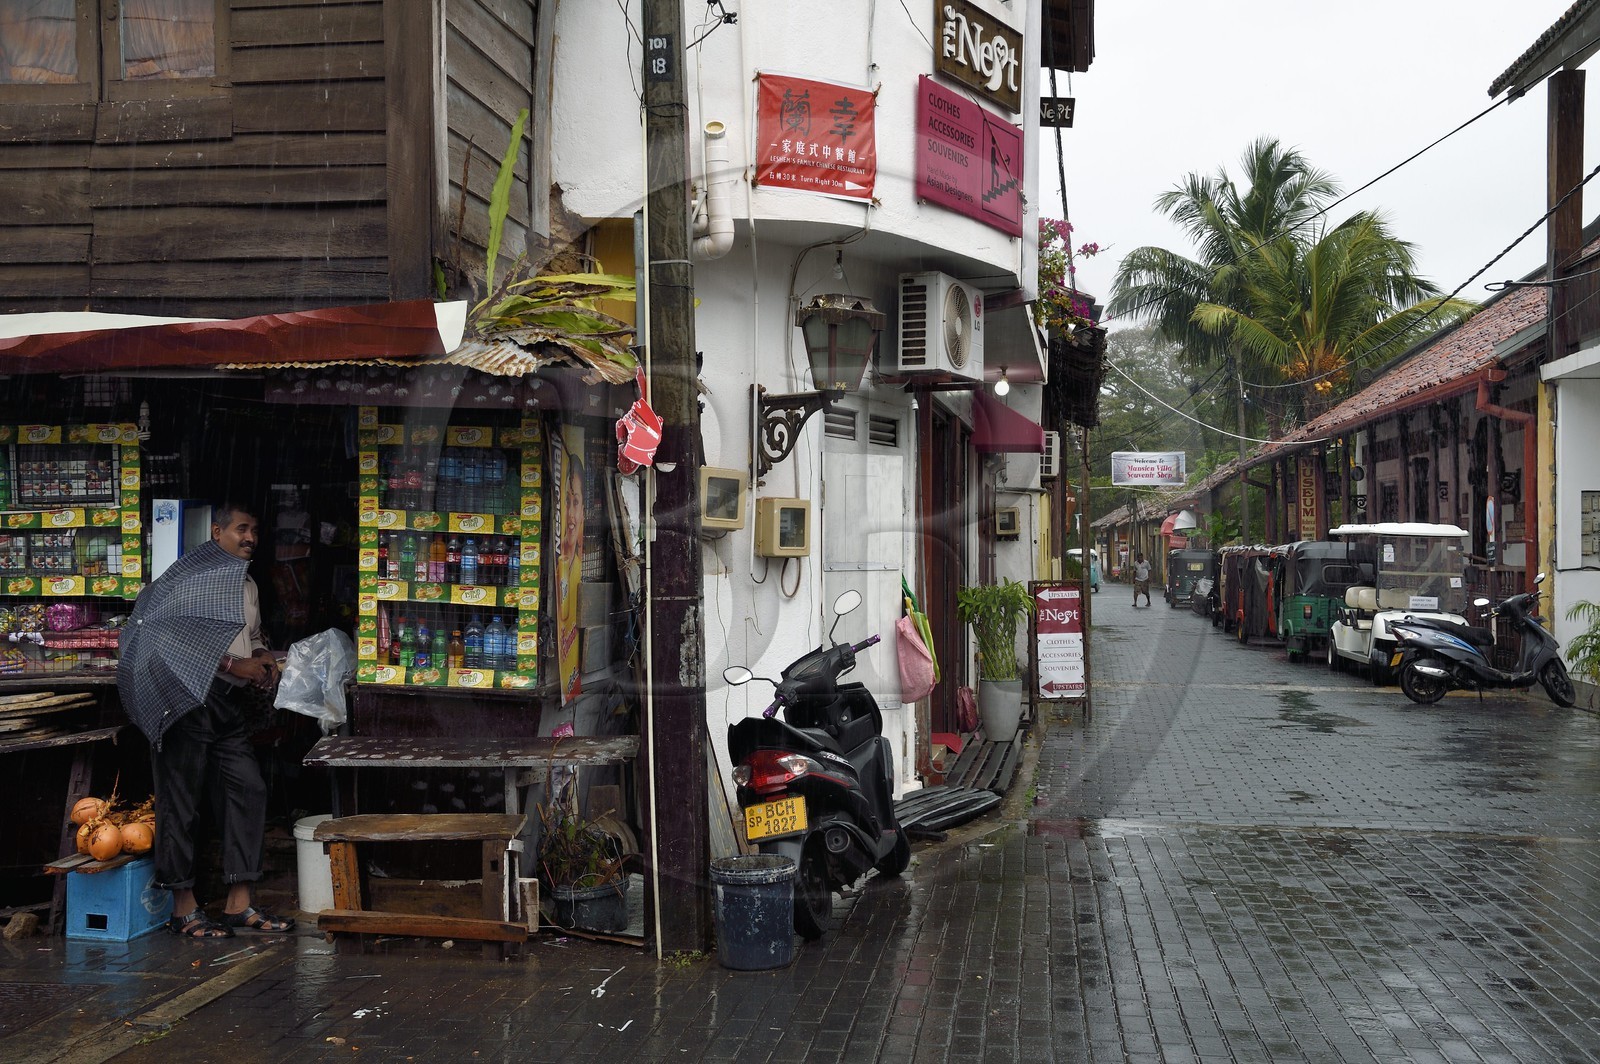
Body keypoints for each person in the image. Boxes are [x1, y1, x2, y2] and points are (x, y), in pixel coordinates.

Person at [125, 503, 295, 938]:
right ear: (217, 531)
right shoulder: (188, 579)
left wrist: (261, 659)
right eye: (242, 528)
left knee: (248, 788)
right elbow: (170, 636)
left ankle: (239, 904)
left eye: (255, 528)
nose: (250, 537)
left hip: (226, 707)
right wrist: (233, 665)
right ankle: (184, 908)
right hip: (184, 699)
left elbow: (253, 638)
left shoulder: (248, 583)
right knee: (181, 802)